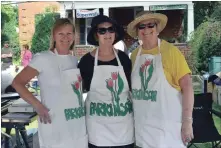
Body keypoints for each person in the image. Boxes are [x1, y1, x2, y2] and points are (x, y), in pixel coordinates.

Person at [12, 18, 88, 148]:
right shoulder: (43, 58)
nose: (65, 37)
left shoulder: (74, 60)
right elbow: (17, 82)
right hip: (54, 124)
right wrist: (38, 106)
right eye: (61, 34)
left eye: (69, 33)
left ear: (74, 36)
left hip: (76, 124)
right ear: (53, 36)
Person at [127, 11, 194, 148]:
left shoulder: (171, 52)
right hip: (142, 133)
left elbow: (187, 87)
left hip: (168, 133)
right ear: (137, 32)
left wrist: (187, 121)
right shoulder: (134, 56)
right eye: (141, 26)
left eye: (150, 25)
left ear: (157, 28)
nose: (146, 30)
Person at [78, 14, 134, 148]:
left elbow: (132, 88)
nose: (107, 34)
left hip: (123, 130)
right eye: (102, 30)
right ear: (96, 35)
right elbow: (79, 90)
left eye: (111, 29)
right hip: (97, 130)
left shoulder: (124, 59)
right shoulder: (86, 61)